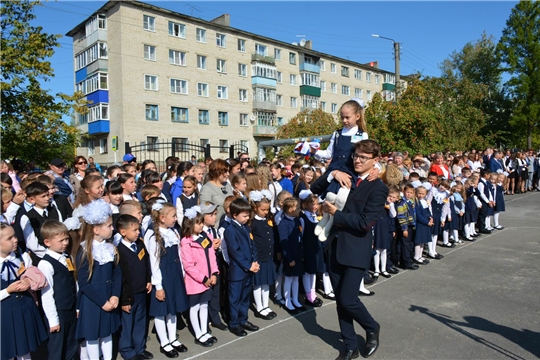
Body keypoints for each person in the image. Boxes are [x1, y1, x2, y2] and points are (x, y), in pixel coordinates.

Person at [311, 139, 388, 359]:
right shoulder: (344, 173)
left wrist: (336, 213)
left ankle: (372, 327)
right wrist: (332, 174)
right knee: (340, 302)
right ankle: (350, 346)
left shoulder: (378, 187)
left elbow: (365, 222)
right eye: (356, 155)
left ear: (375, 161)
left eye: (364, 157)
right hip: (333, 245)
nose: (357, 160)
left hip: (356, 249)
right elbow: (315, 188)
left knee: (348, 300)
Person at [75, 200, 121, 360]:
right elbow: (84, 283)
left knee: (107, 334)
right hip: (93, 302)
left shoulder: (110, 248)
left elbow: (117, 273)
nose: (112, 228)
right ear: (96, 229)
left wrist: (115, 295)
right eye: (109, 226)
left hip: (109, 297)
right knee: (92, 336)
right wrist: (103, 302)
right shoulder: (85, 251)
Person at [144, 201, 189, 358]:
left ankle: (173, 338)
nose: (176, 218)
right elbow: (154, 263)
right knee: (162, 311)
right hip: (163, 276)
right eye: (173, 216)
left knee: (173, 309)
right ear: (162, 218)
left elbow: (179, 255)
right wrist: (158, 285)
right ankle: (164, 342)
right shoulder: (153, 236)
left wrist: (182, 273)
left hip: (174, 274)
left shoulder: (174, 232)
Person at [1, 222, 49, 360]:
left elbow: (35, 275)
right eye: (9, 238)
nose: (15, 240)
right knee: (6, 350)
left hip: (24, 309)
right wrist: (8, 291)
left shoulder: (21, 257)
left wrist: (28, 281)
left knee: (25, 349)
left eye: (14, 236)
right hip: (4, 313)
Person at [38, 220, 78, 360]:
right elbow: (47, 294)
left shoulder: (67, 257)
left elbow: (74, 282)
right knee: (57, 347)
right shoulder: (46, 263)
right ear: (47, 242)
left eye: (66, 239)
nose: (65, 243)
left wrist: (77, 307)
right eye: (61, 240)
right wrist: (53, 320)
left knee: (71, 344)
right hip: (58, 311)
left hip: (71, 309)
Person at [115, 214, 153, 360]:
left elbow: (145, 264)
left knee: (140, 321)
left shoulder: (140, 244)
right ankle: (127, 350)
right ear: (123, 232)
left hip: (142, 291)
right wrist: (124, 300)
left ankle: (139, 347)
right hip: (129, 295)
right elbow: (122, 278)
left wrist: (148, 280)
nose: (138, 232)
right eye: (135, 230)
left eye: (138, 229)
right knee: (127, 323)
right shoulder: (120, 251)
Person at [180, 206, 219, 347]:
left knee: (204, 305)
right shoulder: (186, 242)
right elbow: (188, 265)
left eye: (202, 222)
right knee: (195, 307)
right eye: (198, 223)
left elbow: (212, 256)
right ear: (189, 224)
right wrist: (203, 278)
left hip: (208, 279)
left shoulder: (206, 237)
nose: (201, 225)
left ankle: (204, 330)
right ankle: (198, 334)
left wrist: (214, 273)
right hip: (196, 281)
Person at [223, 198, 260, 337]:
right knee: (235, 299)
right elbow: (235, 252)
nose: (247, 218)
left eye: (247, 216)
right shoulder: (230, 230)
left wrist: (255, 261)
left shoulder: (245, 227)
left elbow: (252, 245)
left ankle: (243, 319)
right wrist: (248, 265)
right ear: (234, 215)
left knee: (245, 297)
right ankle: (234, 323)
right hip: (238, 271)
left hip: (249, 268)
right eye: (244, 216)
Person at [248, 190, 278, 319]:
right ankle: (259, 307)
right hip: (258, 257)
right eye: (263, 210)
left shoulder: (268, 220)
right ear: (255, 207)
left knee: (266, 282)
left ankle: (265, 305)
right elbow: (251, 240)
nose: (266, 212)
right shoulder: (253, 223)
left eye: (267, 209)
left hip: (268, 256)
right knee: (258, 283)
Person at [200, 202, 228, 331]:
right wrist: (211, 245)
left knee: (215, 293)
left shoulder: (214, 230)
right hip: (204, 269)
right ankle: (204, 322)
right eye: (210, 214)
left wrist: (218, 243)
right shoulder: (200, 233)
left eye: (215, 214)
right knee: (205, 296)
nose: (214, 217)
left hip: (215, 266)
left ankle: (215, 318)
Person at [299, 191, 325, 307]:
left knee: (313, 272)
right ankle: (308, 295)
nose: (315, 207)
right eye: (312, 204)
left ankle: (313, 294)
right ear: (305, 204)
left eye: (317, 204)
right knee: (307, 273)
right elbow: (301, 235)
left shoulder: (316, 217)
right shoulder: (303, 218)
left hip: (316, 249)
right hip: (307, 250)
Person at [373, 186, 399, 278]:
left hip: (385, 228)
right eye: (390, 196)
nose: (391, 198)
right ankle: (376, 269)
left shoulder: (391, 205)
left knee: (384, 250)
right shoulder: (381, 202)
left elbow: (393, 215)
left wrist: (391, 205)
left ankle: (383, 269)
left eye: (393, 197)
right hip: (378, 227)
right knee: (377, 249)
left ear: (396, 198)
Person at [396, 184, 418, 270]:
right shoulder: (402, 203)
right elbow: (401, 217)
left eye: (411, 193)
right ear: (403, 192)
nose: (409, 194)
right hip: (405, 226)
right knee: (405, 245)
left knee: (409, 244)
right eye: (407, 192)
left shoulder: (411, 202)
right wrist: (404, 229)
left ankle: (408, 260)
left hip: (411, 225)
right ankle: (406, 263)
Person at [413, 186, 433, 265]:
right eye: (419, 193)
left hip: (426, 224)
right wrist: (427, 222)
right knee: (419, 241)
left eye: (423, 194)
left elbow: (428, 211)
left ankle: (420, 256)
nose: (421, 195)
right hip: (420, 224)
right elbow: (418, 215)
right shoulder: (416, 202)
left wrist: (431, 218)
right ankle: (416, 257)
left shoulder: (424, 202)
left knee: (423, 241)